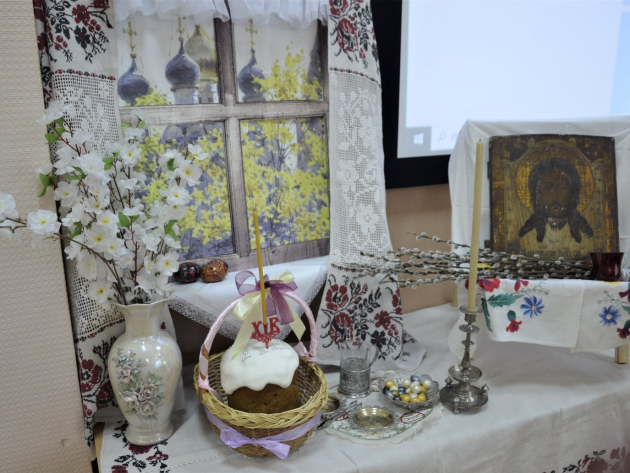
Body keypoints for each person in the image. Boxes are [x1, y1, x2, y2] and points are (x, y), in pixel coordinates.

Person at [518, 158, 593, 243]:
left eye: (562, 187)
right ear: (537, 195)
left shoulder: (583, 231)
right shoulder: (528, 234)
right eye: (547, 188)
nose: (555, 196)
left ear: (573, 194)